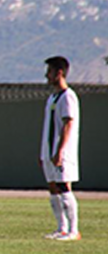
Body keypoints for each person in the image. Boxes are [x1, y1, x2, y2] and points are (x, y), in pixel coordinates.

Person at [40, 56, 81, 241]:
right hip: (49, 151)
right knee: (53, 187)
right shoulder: (52, 98)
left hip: (62, 152)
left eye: (49, 71)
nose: (46, 75)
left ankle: (73, 231)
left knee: (64, 186)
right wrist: (44, 152)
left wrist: (60, 151)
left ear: (59, 73)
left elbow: (68, 124)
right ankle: (61, 228)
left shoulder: (68, 96)